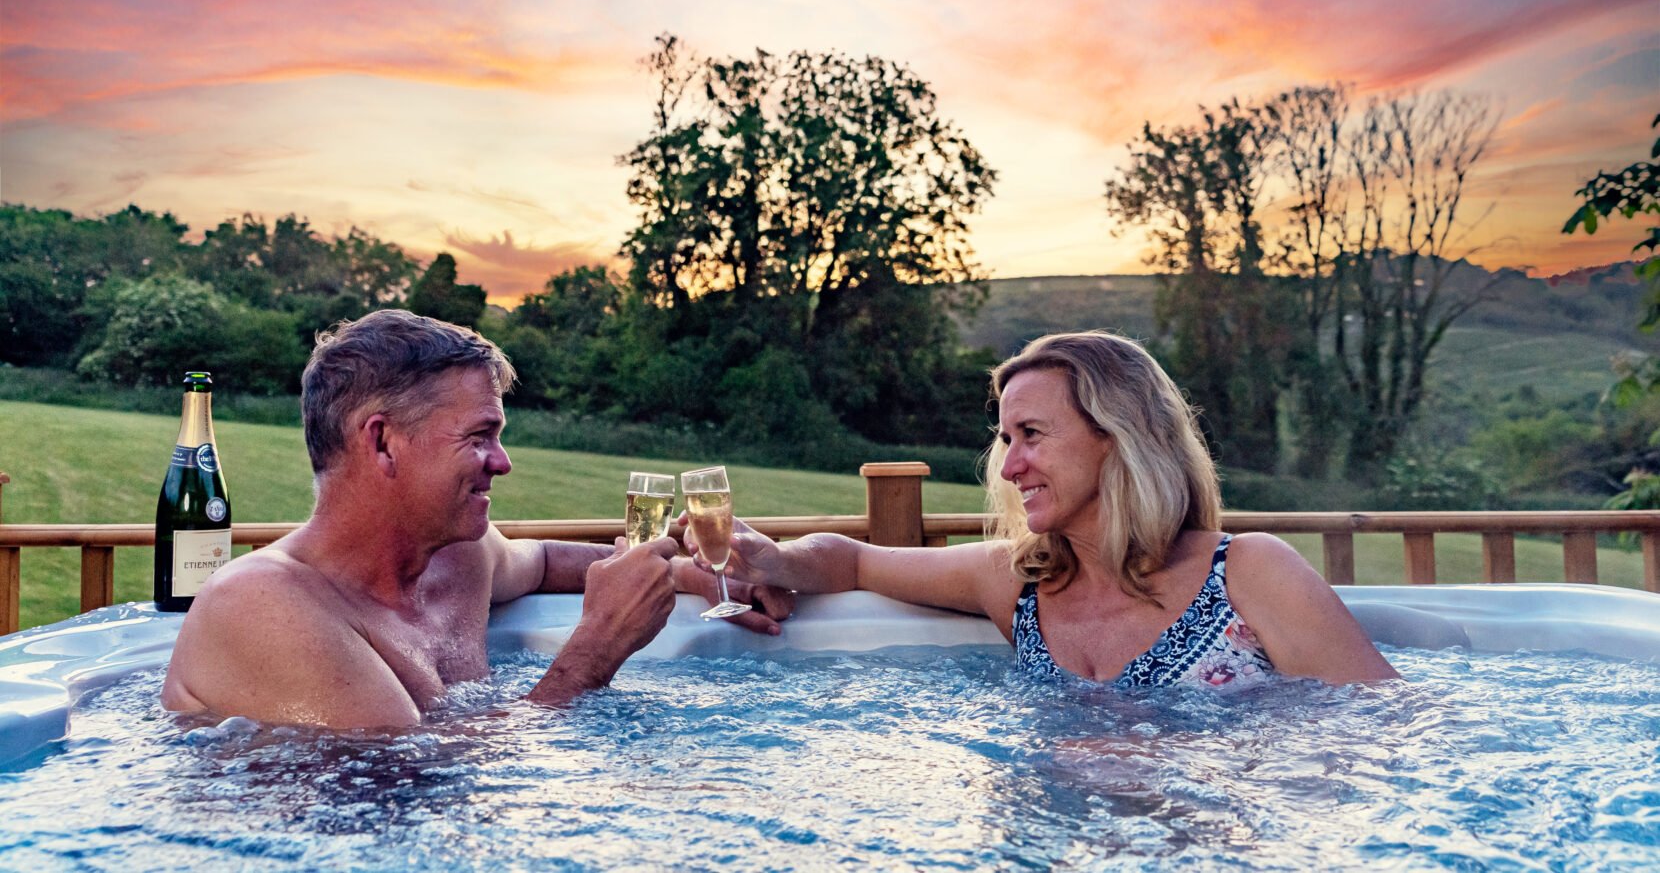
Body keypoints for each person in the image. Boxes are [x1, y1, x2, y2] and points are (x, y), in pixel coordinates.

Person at [162, 309, 791, 729]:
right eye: (480, 436)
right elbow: (411, 791)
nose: (504, 462)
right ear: (382, 442)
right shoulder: (259, 605)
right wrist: (597, 649)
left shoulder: (459, 556)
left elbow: (544, 563)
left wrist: (691, 574)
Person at [690, 331, 1397, 688]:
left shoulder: (1248, 573)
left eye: (1032, 435)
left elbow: (1388, 736)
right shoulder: (1017, 583)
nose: (1009, 464)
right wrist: (778, 559)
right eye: (1004, 439)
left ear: (1117, 437)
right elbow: (853, 559)